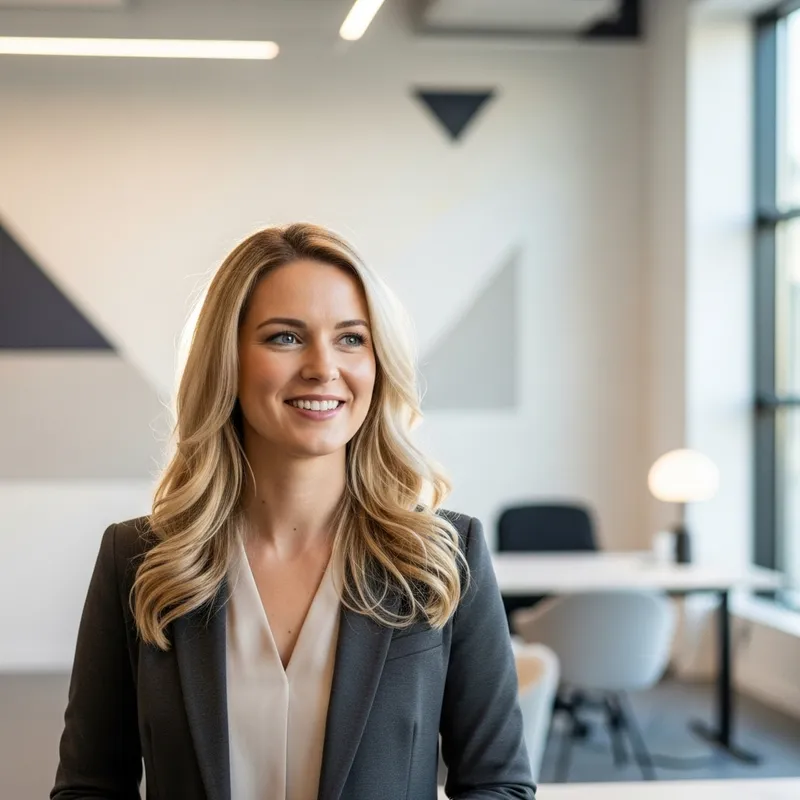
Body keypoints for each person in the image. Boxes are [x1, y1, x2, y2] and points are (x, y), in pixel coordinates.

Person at [51, 223, 535, 800]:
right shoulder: (138, 561)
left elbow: (497, 785)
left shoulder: (444, 559)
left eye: (352, 338)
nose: (323, 367)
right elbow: (89, 787)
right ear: (226, 359)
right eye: (284, 338)